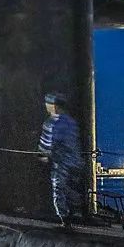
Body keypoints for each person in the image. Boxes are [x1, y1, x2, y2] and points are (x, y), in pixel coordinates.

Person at [38, 92, 84, 229]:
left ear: (54, 106)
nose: (47, 106)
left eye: (48, 104)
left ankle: (64, 219)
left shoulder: (51, 123)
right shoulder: (71, 122)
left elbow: (47, 144)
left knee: (59, 189)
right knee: (72, 190)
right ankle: (76, 214)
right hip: (75, 162)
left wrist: (42, 155)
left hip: (61, 163)